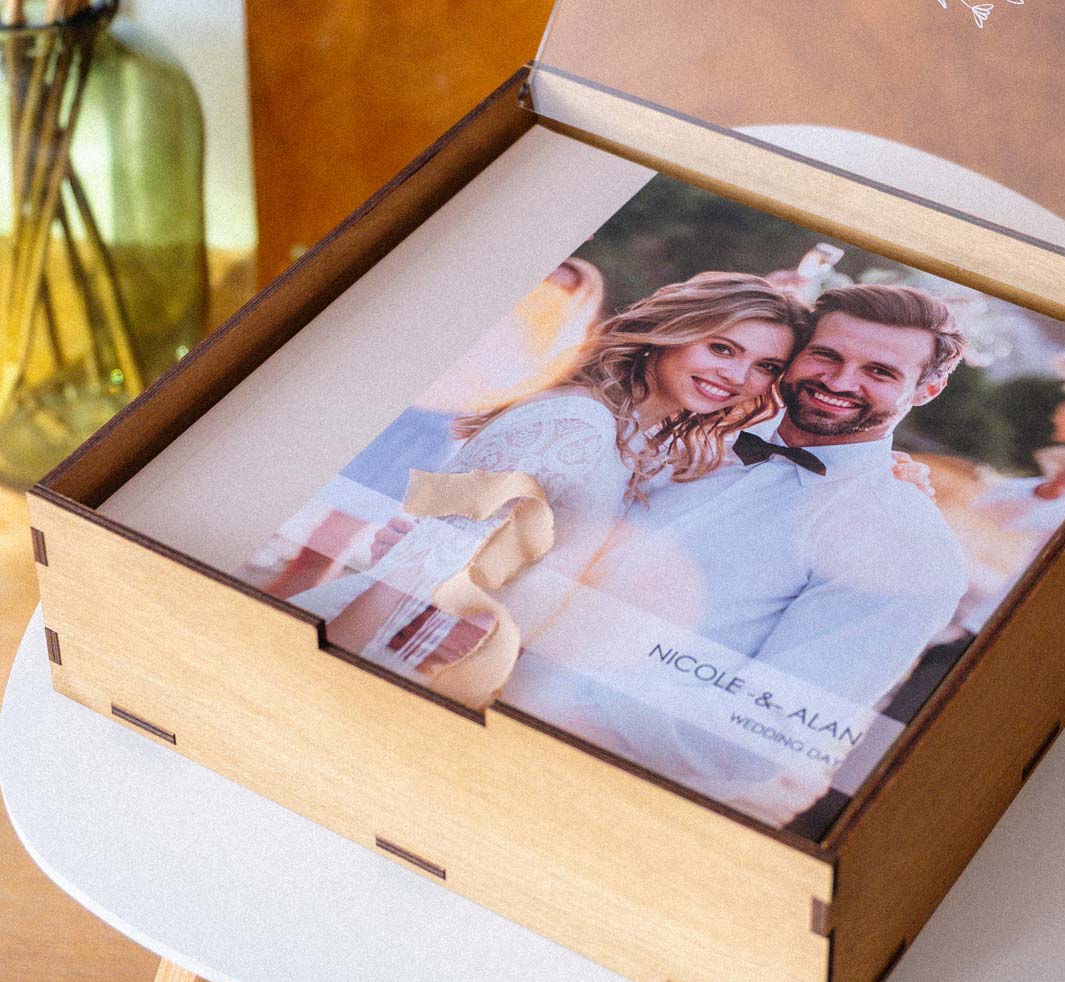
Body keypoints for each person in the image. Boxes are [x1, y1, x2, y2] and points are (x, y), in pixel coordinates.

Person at [499, 282, 973, 828]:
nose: (840, 382)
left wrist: (534, 691)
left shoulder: (906, 546)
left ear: (928, 389)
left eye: (880, 372)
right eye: (826, 355)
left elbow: (753, 737)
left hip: (592, 788)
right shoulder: (700, 427)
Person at [300, 272, 806, 685]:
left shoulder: (641, 442)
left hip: (454, 662)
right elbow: (419, 563)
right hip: (388, 649)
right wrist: (333, 667)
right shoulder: (577, 424)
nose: (737, 377)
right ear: (671, 332)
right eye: (722, 349)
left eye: (765, 366)